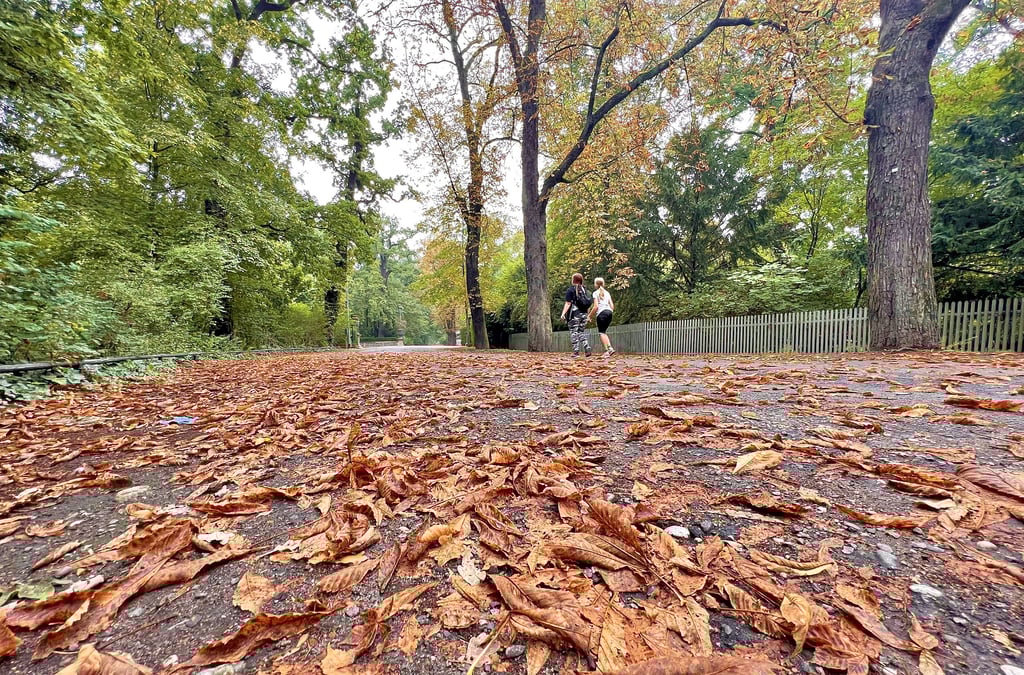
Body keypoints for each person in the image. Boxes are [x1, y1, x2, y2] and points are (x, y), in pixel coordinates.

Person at [559, 272, 592, 357]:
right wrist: (587, 315)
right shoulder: (586, 290)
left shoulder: (571, 290)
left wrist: (563, 314)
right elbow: (588, 304)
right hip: (584, 314)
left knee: (574, 332)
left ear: (573, 280)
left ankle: (576, 352)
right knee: (581, 332)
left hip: (574, 315)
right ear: (581, 280)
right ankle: (587, 346)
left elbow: (568, 303)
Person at [588, 277, 615, 357]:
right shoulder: (607, 293)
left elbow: (596, 307)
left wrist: (589, 316)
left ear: (595, 284)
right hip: (609, 312)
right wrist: (609, 311)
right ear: (603, 284)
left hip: (602, 314)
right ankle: (610, 349)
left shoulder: (595, 293)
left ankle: (607, 350)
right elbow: (612, 306)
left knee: (601, 333)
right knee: (604, 332)